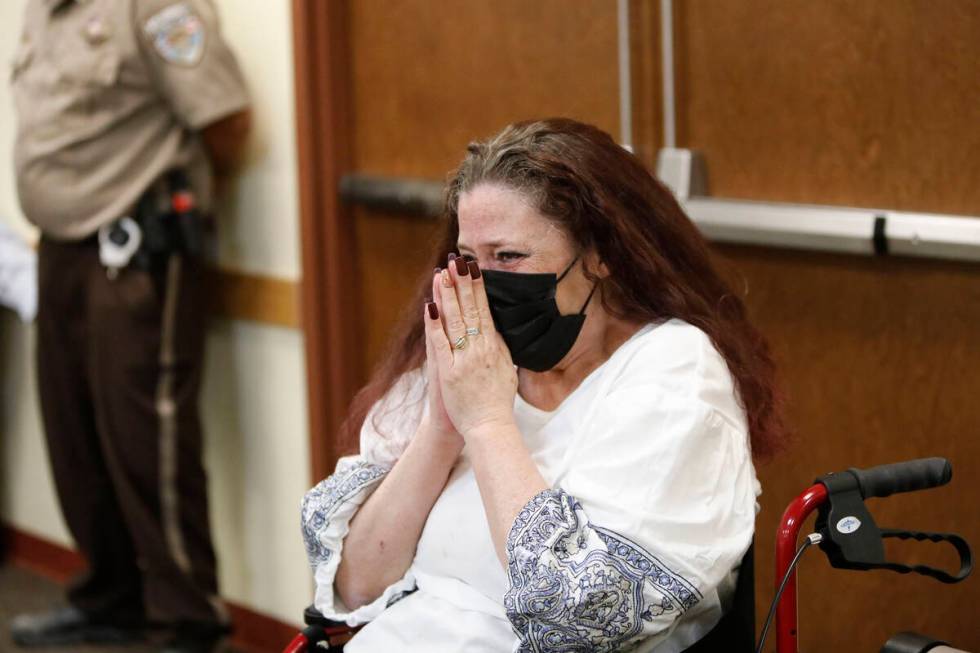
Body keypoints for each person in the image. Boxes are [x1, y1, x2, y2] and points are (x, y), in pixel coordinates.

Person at [301, 118, 786, 652]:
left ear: (600, 255)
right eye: (468, 259)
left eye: (509, 257)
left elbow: (575, 619)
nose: (482, 284)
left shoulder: (673, 372)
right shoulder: (475, 355)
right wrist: (442, 429)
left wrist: (486, 423)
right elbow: (355, 584)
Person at [8, 1, 250, 652]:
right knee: (74, 434)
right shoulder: (42, 11)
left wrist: (175, 205)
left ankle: (187, 618)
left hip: (138, 249)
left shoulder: (157, 6)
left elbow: (226, 122)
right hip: (58, 249)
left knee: (149, 441)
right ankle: (109, 598)